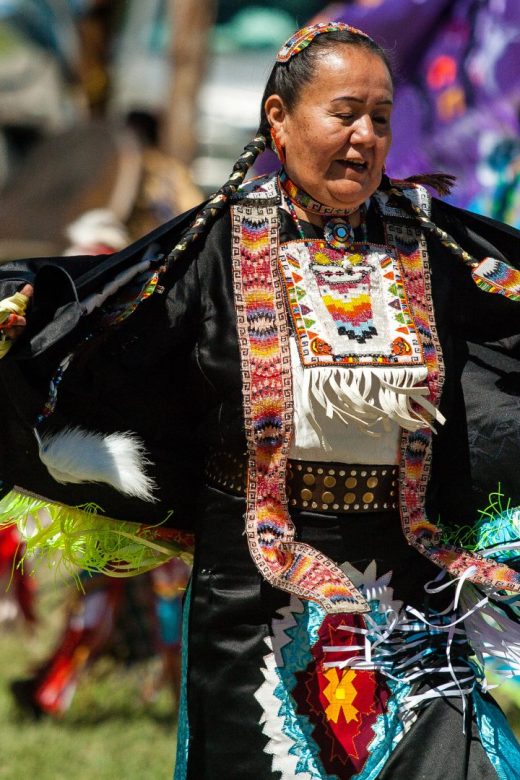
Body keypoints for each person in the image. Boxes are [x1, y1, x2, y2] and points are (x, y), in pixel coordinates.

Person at [1, 21, 520, 779]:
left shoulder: (427, 240)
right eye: (344, 113)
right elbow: (105, 314)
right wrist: (21, 307)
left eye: (380, 117)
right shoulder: (219, 245)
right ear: (278, 119)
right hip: (255, 607)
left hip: (409, 597)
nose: (365, 137)